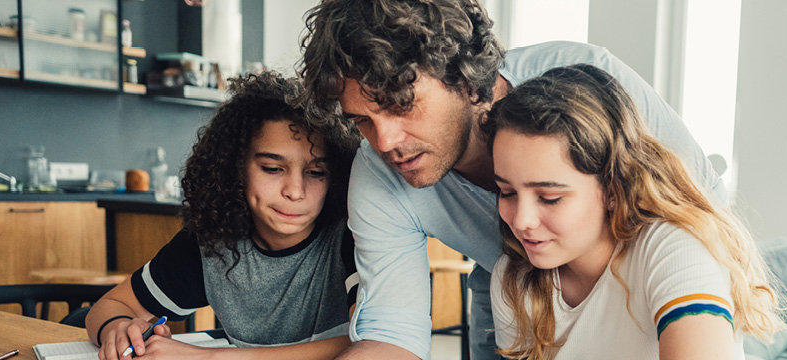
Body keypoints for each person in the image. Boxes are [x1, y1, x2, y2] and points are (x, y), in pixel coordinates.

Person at [298, 1, 728, 358]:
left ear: (463, 78)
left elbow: (697, 208)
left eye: (402, 105)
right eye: (362, 121)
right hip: (524, 287)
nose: (385, 141)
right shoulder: (508, 280)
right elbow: (391, 333)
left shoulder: (589, 81)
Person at [483, 64, 786, 359]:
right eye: (507, 192)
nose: (521, 221)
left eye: (550, 197)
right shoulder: (514, 278)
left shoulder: (674, 247)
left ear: (613, 190)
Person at [85, 71, 361, 360]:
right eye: (272, 168)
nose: (295, 191)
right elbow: (111, 305)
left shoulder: (353, 236)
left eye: (316, 172)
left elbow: (376, 342)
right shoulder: (215, 242)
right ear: (236, 169)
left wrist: (211, 358)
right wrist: (117, 329)